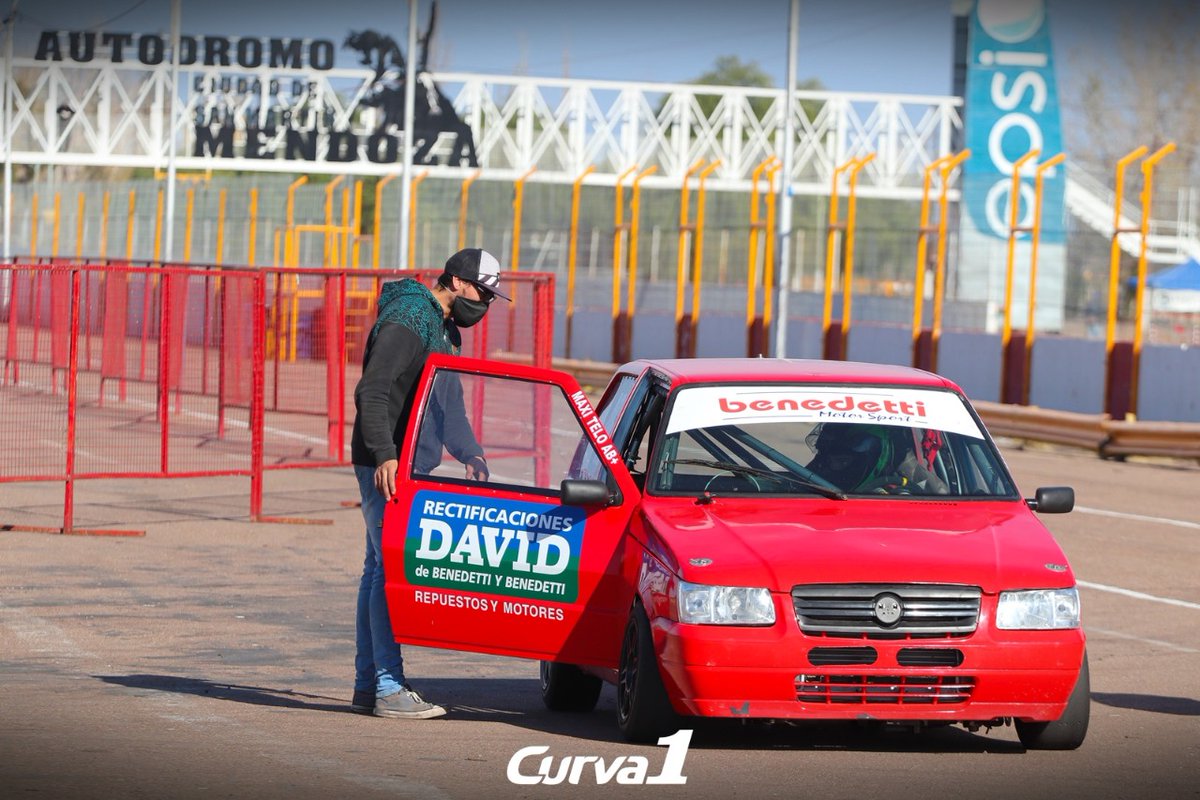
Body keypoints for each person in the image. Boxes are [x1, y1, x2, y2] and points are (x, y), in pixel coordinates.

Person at [349, 247, 509, 719]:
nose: (486, 303)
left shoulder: (445, 330)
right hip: (386, 465)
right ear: (458, 282)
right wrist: (384, 453)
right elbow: (372, 389)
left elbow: (449, 402)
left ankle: (368, 683)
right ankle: (387, 686)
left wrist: (471, 452)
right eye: (483, 292)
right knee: (388, 573)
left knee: (376, 569)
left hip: (403, 466)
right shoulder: (410, 317)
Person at [806, 422, 947, 495]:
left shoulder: (909, 472)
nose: (833, 466)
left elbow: (944, 496)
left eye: (843, 461)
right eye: (830, 460)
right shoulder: (814, 474)